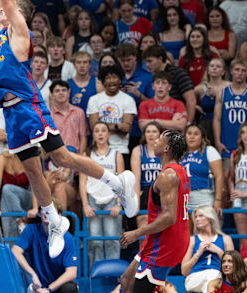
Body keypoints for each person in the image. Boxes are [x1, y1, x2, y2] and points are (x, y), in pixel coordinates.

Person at [0, 0, 138, 258]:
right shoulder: (2, 32)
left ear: (16, 15)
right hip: (12, 113)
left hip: (29, 108)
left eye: (6, 9)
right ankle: (53, 219)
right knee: (33, 171)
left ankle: (118, 183)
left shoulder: (20, 35)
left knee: (62, 158)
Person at [119, 130, 190, 293]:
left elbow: (169, 217)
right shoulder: (180, 171)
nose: (155, 141)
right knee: (125, 280)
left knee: (138, 289)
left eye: (160, 139)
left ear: (166, 148)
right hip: (165, 238)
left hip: (165, 242)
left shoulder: (168, 176)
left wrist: (137, 233)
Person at [80, 122, 124, 270]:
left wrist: (119, 203)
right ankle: (96, 273)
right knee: (95, 240)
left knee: (112, 238)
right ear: (93, 135)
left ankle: (113, 273)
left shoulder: (117, 155)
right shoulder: (87, 155)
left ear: (108, 134)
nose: (100, 134)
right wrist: (85, 204)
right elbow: (82, 181)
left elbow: (122, 181)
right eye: (97, 131)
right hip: (93, 199)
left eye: (103, 131)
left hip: (111, 199)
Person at [11, 206, 79, 293]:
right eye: (44, 209)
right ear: (39, 213)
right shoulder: (31, 230)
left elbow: (71, 273)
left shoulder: (67, 238)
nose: (48, 212)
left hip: (59, 286)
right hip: (38, 285)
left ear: (59, 215)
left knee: (69, 288)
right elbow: (15, 251)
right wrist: (32, 275)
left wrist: (49, 289)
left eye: (52, 209)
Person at [181, 206, 234, 292]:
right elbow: (184, 271)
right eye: (196, 217)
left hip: (217, 275)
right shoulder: (192, 240)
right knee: (211, 279)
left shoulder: (225, 239)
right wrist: (198, 253)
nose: (197, 219)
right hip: (195, 277)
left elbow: (234, 266)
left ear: (210, 218)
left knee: (212, 279)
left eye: (201, 216)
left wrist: (219, 251)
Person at [130, 122, 164, 231]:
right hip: (145, 192)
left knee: (161, 229)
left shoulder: (166, 151)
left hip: (162, 192)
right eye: (148, 132)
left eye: (154, 132)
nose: (151, 135)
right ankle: (143, 249)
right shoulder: (138, 150)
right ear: (144, 135)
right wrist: (136, 202)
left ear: (160, 134)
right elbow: (136, 178)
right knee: (143, 228)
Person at [183, 124, 224, 213]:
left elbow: (219, 176)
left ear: (202, 138)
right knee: (187, 227)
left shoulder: (209, 150)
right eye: (189, 133)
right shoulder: (180, 154)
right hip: (184, 197)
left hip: (204, 196)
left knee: (204, 225)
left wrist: (218, 200)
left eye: (196, 134)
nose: (192, 137)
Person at [214, 59, 247, 159]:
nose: (240, 73)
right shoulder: (222, 93)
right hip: (226, 145)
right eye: (237, 69)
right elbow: (217, 119)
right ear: (231, 71)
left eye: (243, 70)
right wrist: (217, 142)